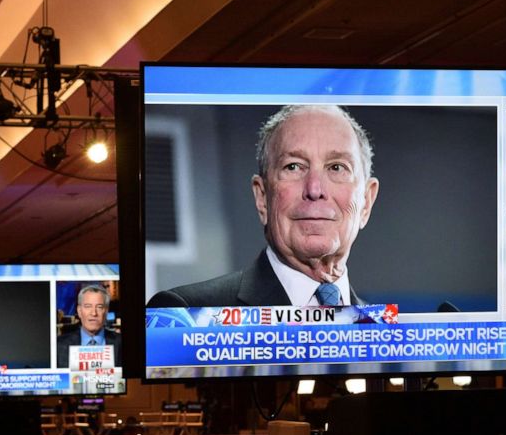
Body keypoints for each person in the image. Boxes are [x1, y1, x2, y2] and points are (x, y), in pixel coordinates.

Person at [147, 104, 379, 308]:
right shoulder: (185, 314)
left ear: (366, 202)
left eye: (337, 167)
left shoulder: (388, 337)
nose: (315, 189)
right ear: (262, 197)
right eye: (294, 167)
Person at [56, 284, 121, 368]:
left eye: (99, 307)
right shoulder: (59, 345)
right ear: (79, 311)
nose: (94, 313)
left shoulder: (121, 343)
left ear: (106, 312)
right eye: (88, 306)